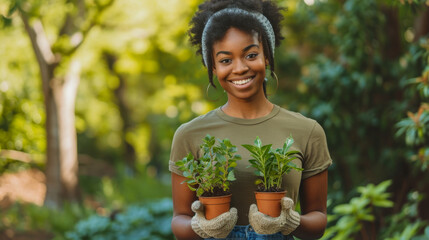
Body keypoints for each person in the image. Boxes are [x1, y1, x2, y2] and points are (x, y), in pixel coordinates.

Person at [169, 0, 332, 239]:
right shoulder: (189, 135)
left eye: (251, 54)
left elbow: (318, 220)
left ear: (267, 56)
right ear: (212, 67)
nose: (240, 68)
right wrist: (200, 227)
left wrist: (289, 222)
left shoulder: (307, 131)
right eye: (225, 60)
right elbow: (179, 220)